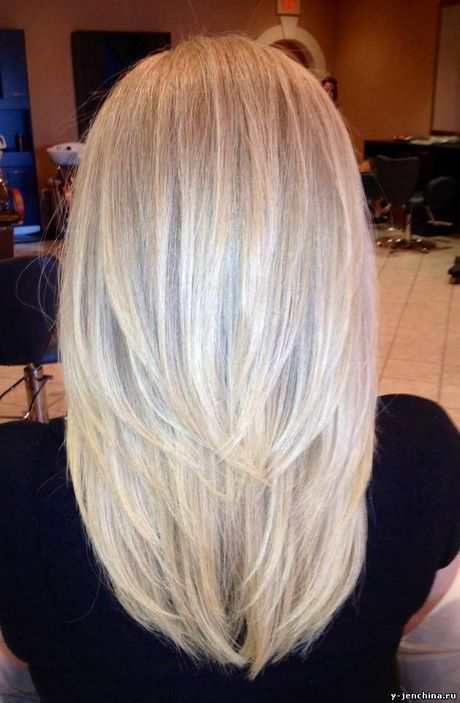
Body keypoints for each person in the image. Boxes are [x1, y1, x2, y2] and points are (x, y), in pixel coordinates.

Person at [0, 35, 458, 703]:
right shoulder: (419, 457)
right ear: (331, 237)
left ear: (104, 244)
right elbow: (427, 660)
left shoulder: (18, 492)